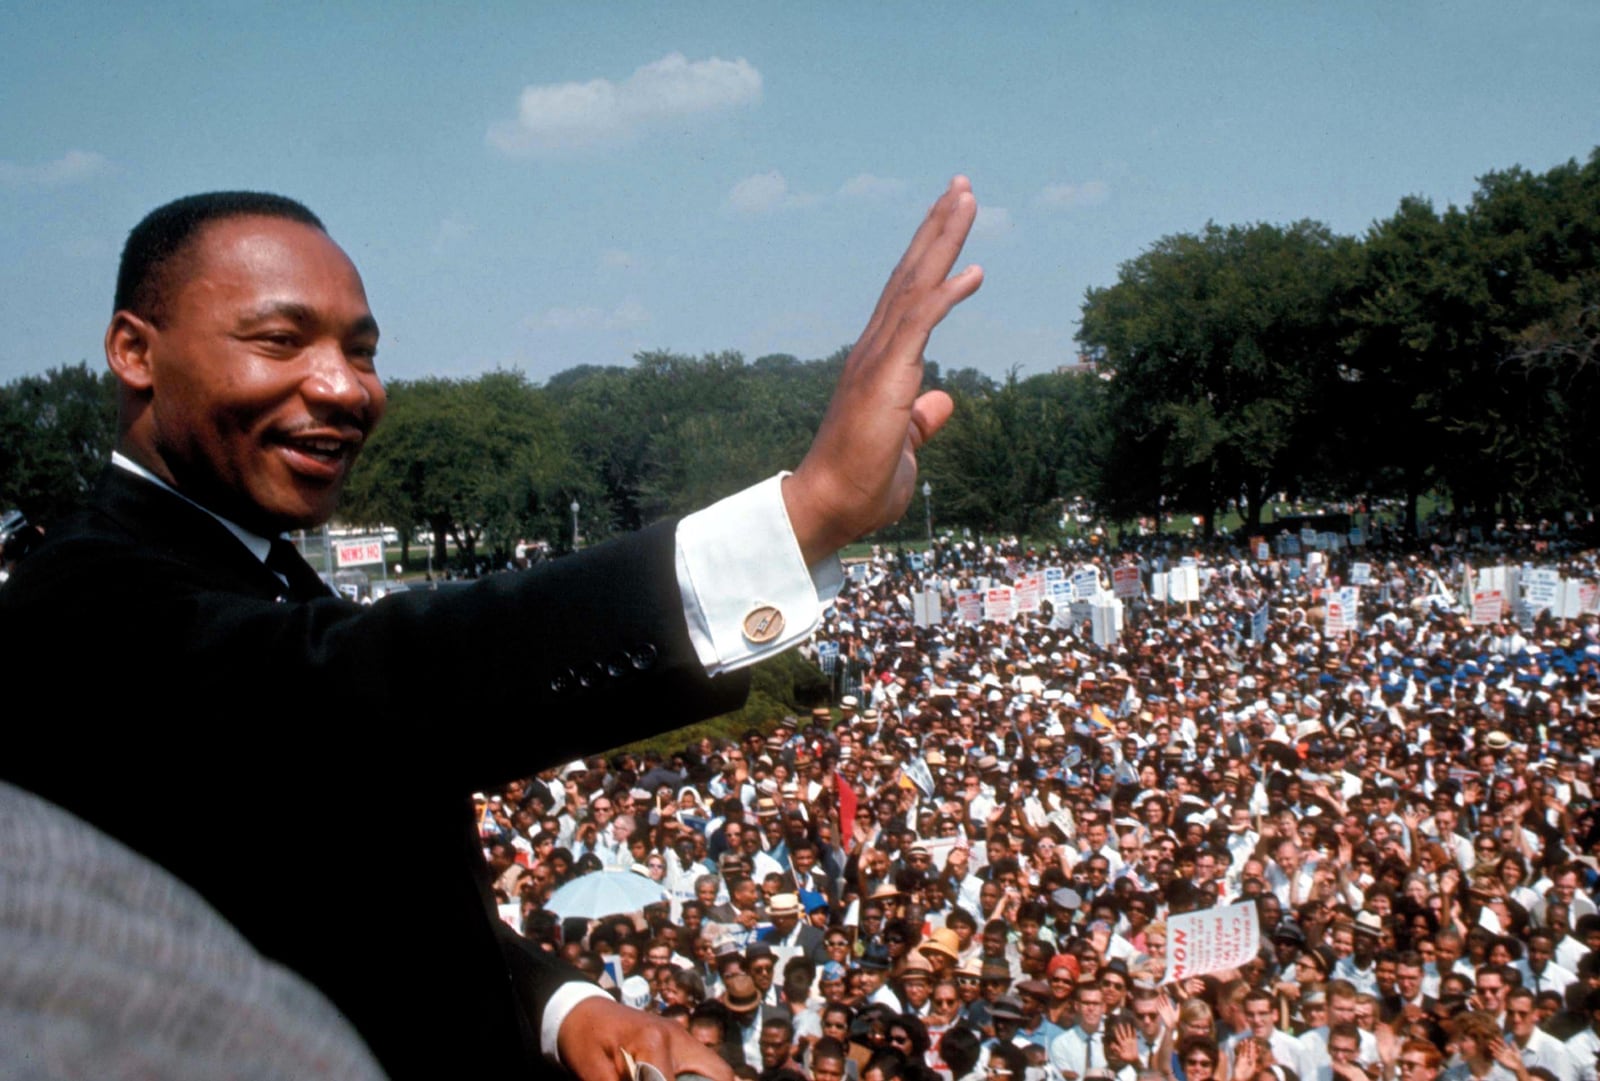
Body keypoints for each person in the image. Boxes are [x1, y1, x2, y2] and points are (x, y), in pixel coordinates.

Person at [1, 179, 985, 1080]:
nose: (345, 387)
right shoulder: (76, 602)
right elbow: (366, 692)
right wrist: (806, 511)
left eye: (361, 349)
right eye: (279, 339)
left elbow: (335, 905)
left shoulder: (257, 568)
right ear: (135, 351)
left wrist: (561, 1006)